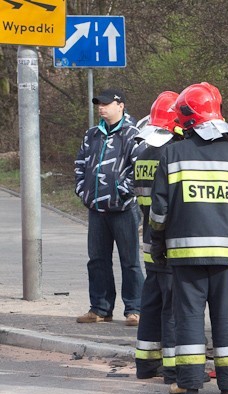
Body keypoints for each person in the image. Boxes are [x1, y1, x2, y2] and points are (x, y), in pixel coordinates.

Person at [149, 82, 228, 394]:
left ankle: (188, 382)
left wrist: (158, 246)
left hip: (185, 255)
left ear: (185, 119)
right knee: (227, 316)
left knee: (188, 317)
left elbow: (158, 212)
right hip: (226, 255)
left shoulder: (172, 153)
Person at [74, 88, 144, 326]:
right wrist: (84, 191)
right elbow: (81, 164)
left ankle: (135, 309)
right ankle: (100, 308)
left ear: (120, 105)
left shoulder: (134, 134)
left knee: (130, 261)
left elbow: (139, 169)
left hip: (123, 209)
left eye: (106, 104)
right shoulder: (92, 134)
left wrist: (122, 192)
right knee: (97, 260)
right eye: (99, 104)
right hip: (96, 209)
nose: (101, 108)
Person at [133, 91, 183, 381]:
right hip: (169, 243)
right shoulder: (171, 154)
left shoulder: (144, 153)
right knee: (173, 307)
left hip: (150, 241)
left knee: (150, 304)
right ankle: (173, 366)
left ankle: (146, 363)